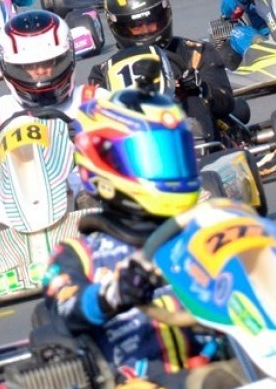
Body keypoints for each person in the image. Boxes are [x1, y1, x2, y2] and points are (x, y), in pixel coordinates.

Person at [44, 87, 241, 387]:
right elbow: (65, 311)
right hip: (136, 379)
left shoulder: (205, 233)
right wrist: (114, 294)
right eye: (156, 158)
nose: (171, 169)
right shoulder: (78, 255)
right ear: (103, 163)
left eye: (174, 155)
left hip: (225, 370)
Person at [0, 10, 106, 195]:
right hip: (21, 201)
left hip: (91, 196)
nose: (41, 72)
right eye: (30, 66)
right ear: (9, 67)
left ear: (67, 58)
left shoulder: (93, 99)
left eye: (49, 63)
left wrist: (85, 141)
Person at [88, 0, 236, 140]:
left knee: (194, 97)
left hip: (194, 142)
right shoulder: (103, 73)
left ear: (164, 15)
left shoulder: (196, 53)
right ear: (119, 27)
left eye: (151, 22)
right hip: (134, 145)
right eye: (136, 26)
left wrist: (201, 88)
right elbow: (97, 124)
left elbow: (227, 102)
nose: (145, 31)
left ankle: (200, 144)